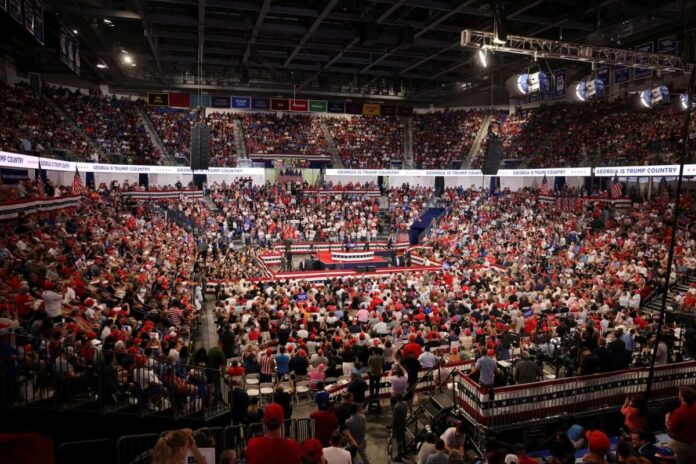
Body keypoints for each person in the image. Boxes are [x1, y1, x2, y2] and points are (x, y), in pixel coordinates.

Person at [665, 386, 696, 464]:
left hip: (679, 446)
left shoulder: (679, 412)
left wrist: (667, 419)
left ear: (682, 398)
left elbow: (671, 430)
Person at [391, 393, 408, 462]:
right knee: (403, 438)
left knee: (398, 441)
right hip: (403, 423)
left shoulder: (396, 407)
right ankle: (405, 451)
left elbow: (395, 419)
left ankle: (399, 456)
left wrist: (393, 427)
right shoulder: (405, 404)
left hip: (398, 425)